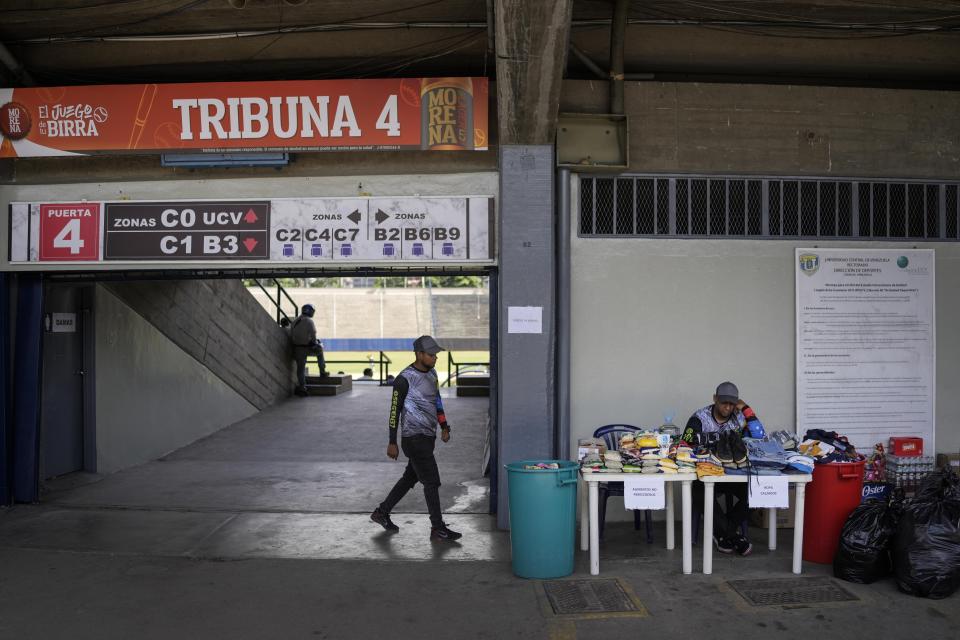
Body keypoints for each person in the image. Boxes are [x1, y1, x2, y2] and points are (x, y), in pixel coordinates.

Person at [370, 335, 461, 541]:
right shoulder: (404, 379)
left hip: (428, 437)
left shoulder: (433, 374)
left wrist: (444, 426)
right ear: (419, 354)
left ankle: (381, 512)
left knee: (409, 478)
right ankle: (437, 528)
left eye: (436, 355)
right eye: (431, 355)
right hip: (413, 438)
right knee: (432, 482)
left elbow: (437, 402)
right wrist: (392, 441)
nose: (435, 358)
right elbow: (394, 411)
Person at [683, 381, 760, 557]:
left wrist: (746, 409)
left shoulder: (739, 417)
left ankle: (724, 534)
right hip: (707, 474)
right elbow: (685, 442)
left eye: (732, 403)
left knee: (758, 492)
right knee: (699, 492)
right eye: (724, 402)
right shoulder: (699, 417)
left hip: (734, 474)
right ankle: (733, 536)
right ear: (714, 399)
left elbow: (759, 437)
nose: (728, 407)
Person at [290, 304, 327, 397]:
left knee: (300, 369)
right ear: (310, 311)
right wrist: (315, 342)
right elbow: (313, 336)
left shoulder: (295, 321)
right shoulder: (309, 321)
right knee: (320, 350)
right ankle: (322, 371)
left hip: (296, 348)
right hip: (307, 348)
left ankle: (303, 387)